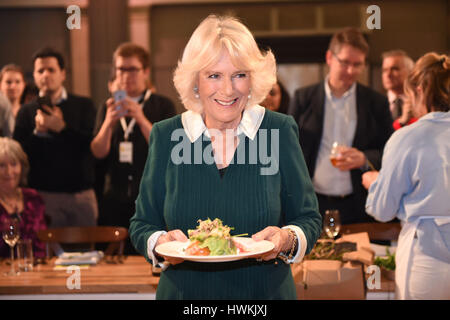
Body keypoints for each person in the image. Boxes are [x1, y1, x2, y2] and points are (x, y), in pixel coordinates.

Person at [129, 15, 321, 300]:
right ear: (196, 81)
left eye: (239, 75)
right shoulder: (167, 136)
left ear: (253, 79)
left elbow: (308, 218)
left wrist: (286, 239)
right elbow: (142, 224)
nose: (228, 90)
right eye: (214, 75)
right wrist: (160, 242)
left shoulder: (278, 130)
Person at [362, 53, 450, 300]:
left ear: (420, 90)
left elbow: (382, 210)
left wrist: (375, 183)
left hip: (427, 255)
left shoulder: (409, 137)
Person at [289, 27, 393, 224]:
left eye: (358, 64)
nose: (351, 71)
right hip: (312, 202)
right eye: (345, 62)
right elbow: (289, 150)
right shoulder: (303, 98)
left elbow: (390, 151)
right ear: (329, 58)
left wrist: (364, 158)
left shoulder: (376, 103)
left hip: (358, 203)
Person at [91, 43, 176, 254]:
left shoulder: (162, 104)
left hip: (151, 197)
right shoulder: (108, 106)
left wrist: (140, 117)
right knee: (111, 261)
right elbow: (97, 152)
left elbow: (167, 149)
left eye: (132, 69)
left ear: (145, 72)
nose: (126, 75)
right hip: (114, 198)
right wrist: (108, 123)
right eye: (121, 69)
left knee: (150, 256)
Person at [13, 47, 98, 228]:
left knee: (85, 254)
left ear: (63, 74)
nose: (46, 75)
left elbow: (92, 147)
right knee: (45, 254)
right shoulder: (26, 111)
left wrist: (62, 128)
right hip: (43, 195)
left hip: (80, 195)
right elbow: (18, 155)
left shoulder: (84, 105)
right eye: (40, 71)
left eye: (51, 70)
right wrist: (39, 133)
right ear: (34, 76)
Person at [0, 137, 46, 258]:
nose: (9, 172)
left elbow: (41, 244)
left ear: (22, 167)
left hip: (34, 269)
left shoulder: (33, 198)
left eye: (14, 164)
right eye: (2, 165)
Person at [381, 50, 417, 130]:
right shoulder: (375, 103)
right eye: (385, 70)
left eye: (394, 69)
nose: (388, 74)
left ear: (410, 72)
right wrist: (402, 122)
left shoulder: (419, 104)